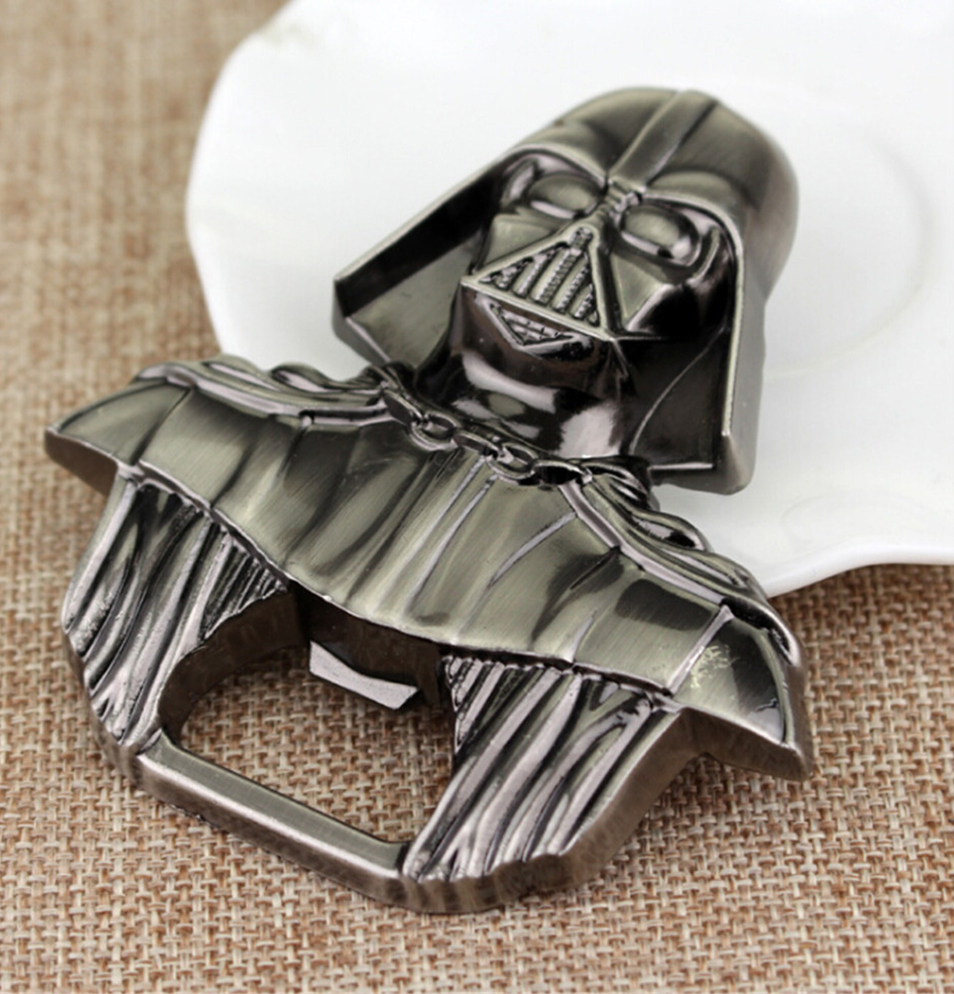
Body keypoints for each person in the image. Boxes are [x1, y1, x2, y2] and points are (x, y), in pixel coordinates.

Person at [47, 89, 811, 912]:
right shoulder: (189, 428)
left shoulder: (690, 637)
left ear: (717, 302)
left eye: (659, 241)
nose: (575, 249)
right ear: (486, 213)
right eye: (553, 197)